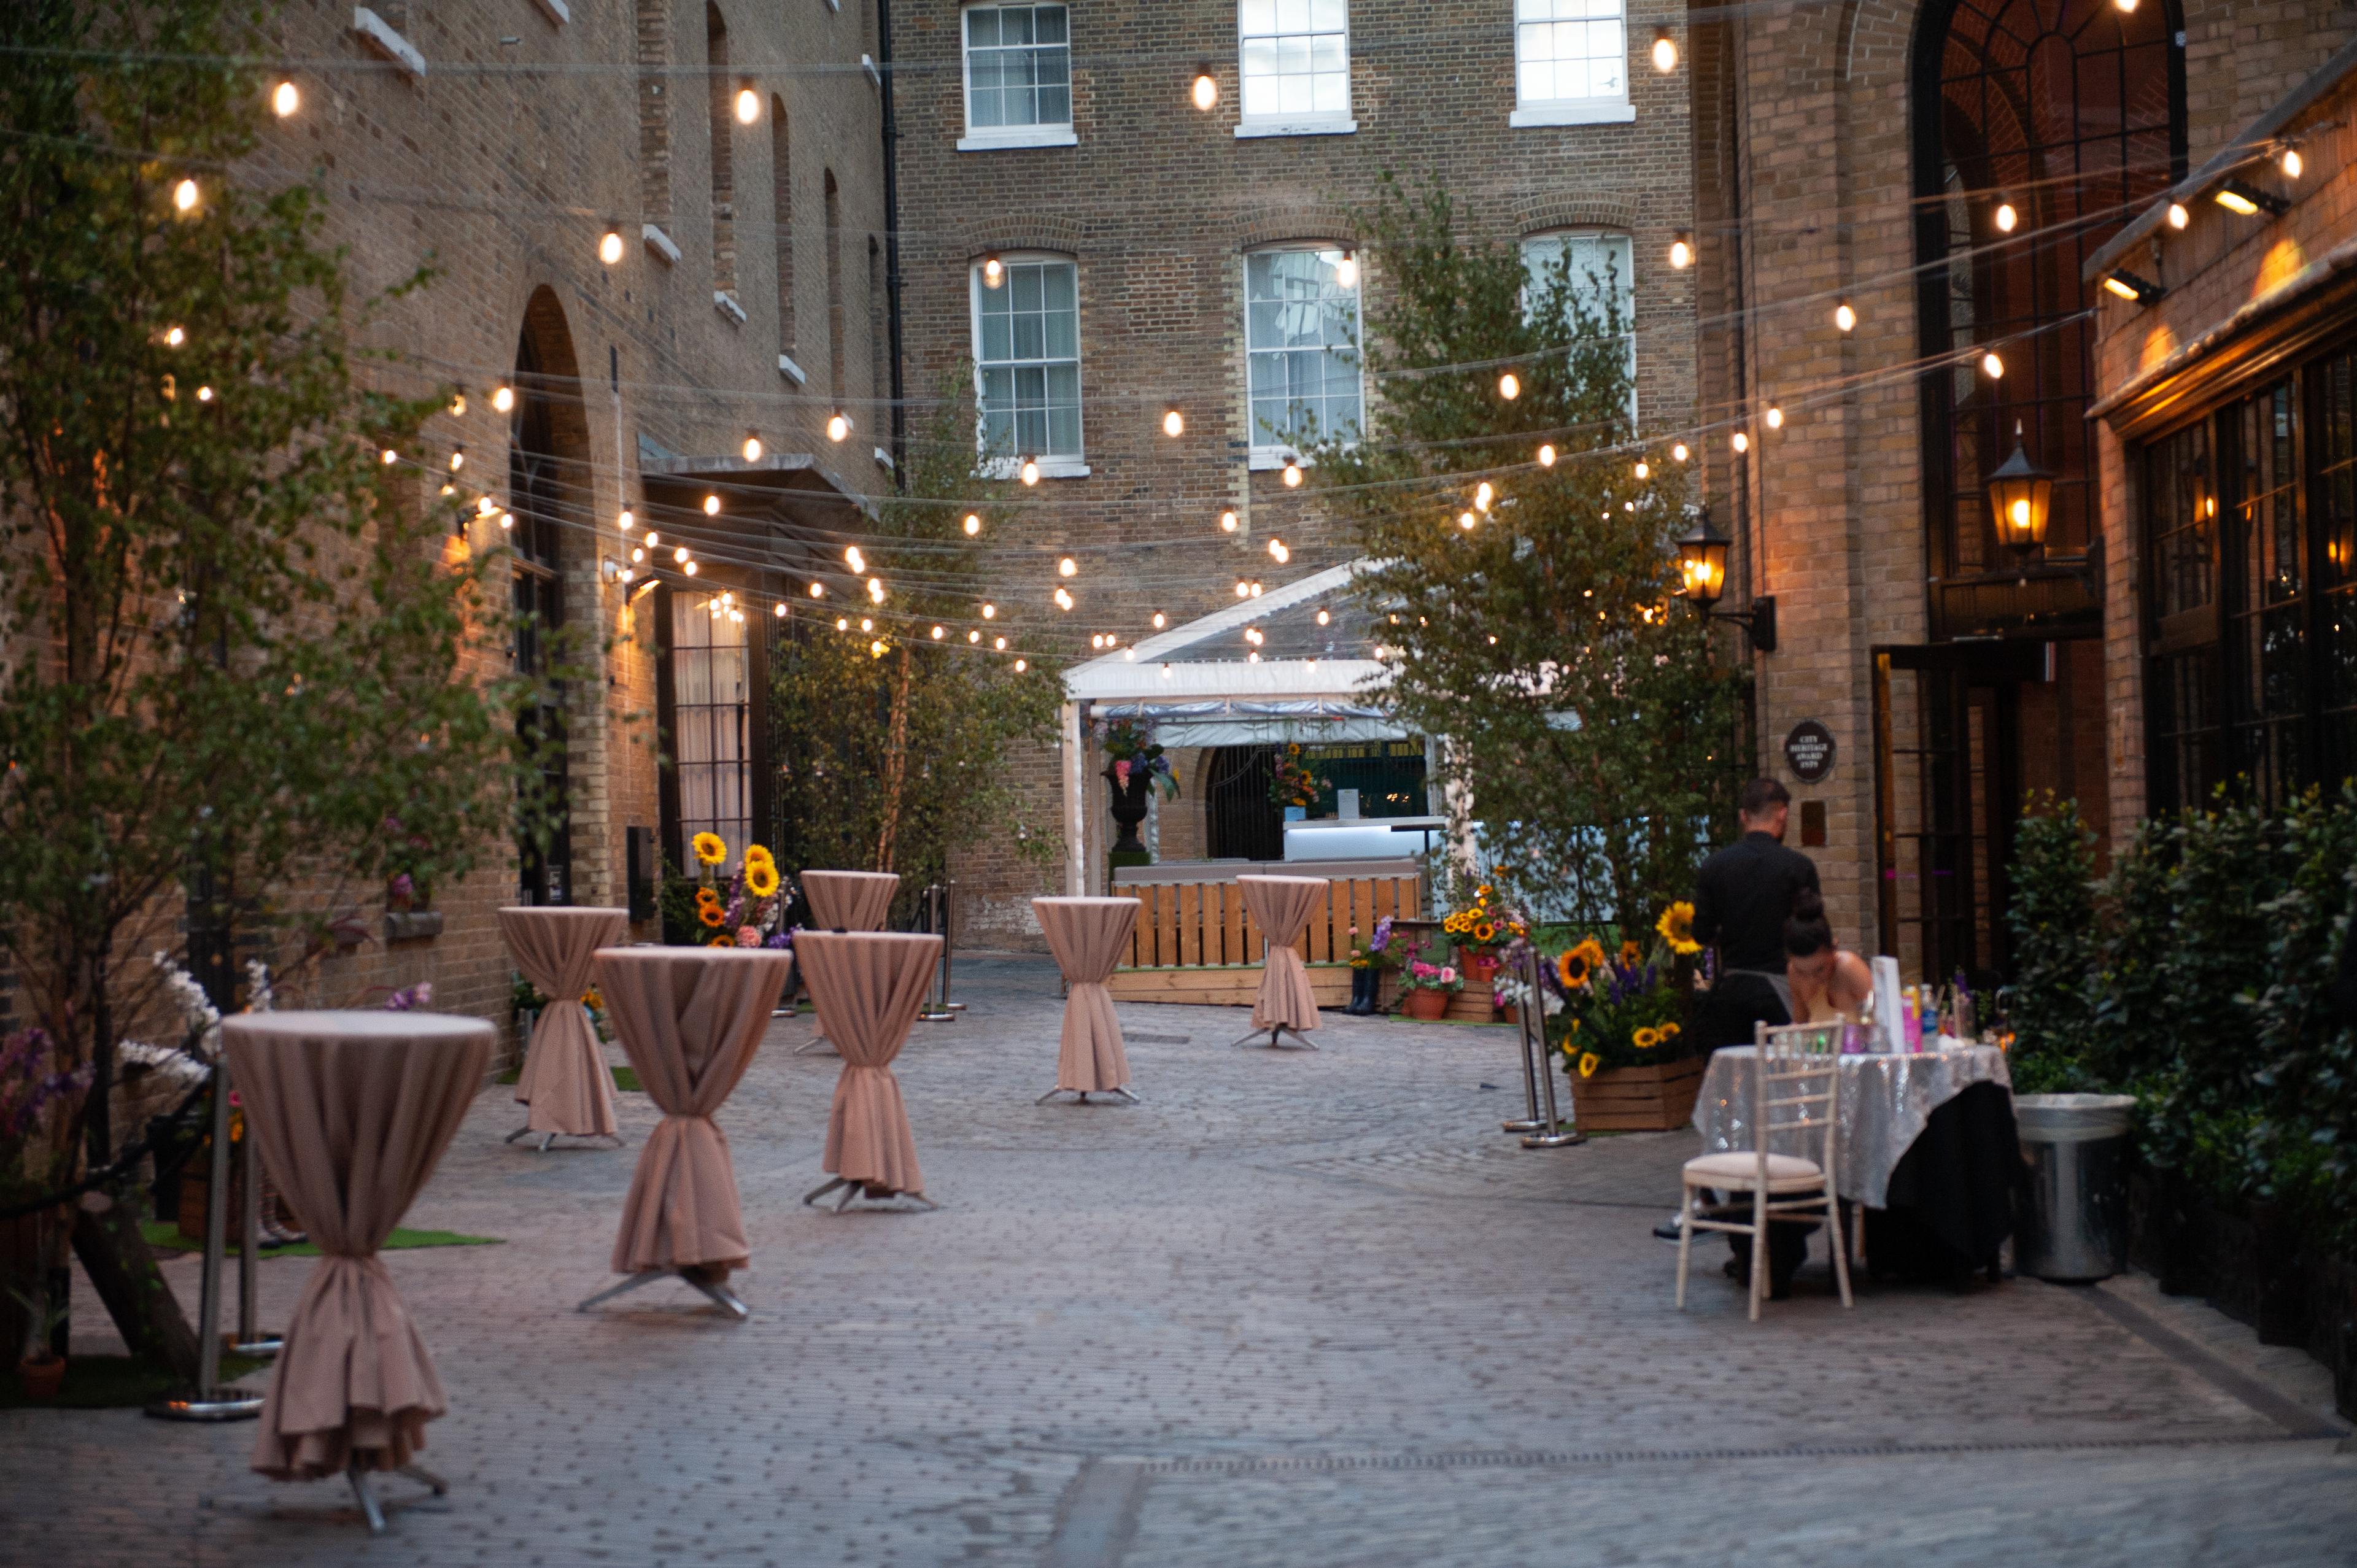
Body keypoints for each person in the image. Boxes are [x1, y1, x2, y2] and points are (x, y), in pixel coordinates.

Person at [1655, 778, 1824, 1299]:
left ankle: (1725, 1210)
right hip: (1780, 1000)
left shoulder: (1715, 867)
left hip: (1730, 1001)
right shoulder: (1797, 867)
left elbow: (1701, 935)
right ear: (1779, 816)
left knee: (1730, 1105)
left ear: (1742, 815)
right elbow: (1812, 935)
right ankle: (1785, 1218)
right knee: (1783, 1109)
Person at [1784, 889, 1873, 1025]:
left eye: (1819, 969)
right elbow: (1800, 1025)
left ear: (1834, 948)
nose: (1812, 979)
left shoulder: (1849, 967)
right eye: (1802, 972)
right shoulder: (1794, 973)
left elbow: (1880, 1018)